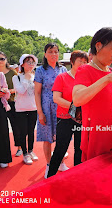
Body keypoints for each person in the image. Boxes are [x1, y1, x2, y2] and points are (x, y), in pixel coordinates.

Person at [72, 27, 112, 161]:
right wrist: (106, 79)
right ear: (98, 46)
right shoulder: (85, 70)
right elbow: (77, 99)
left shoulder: (110, 71)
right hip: (98, 134)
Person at [47, 50, 88, 178]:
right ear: (72, 62)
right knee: (60, 149)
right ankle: (50, 177)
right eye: (80, 61)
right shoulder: (62, 77)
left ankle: (77, 177)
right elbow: (56, 98)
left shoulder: (87, 79)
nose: (82, 63)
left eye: (85, 61)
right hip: (65, 119)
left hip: (82, 120)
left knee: (80, 149)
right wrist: (74, 108)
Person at [34, 43, 68, 178]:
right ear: (45, 54)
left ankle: (60, 161)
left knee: (62, 137)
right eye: (51, 51)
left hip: (61, 107)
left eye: (56, 51)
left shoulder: (63, 69)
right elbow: (37, 93)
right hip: (47, 107)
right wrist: (40, 112)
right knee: (47, 139)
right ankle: (49, 165)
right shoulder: (40, 70)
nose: (54, 54)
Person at [12, 54, 38, 164]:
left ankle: (31, 150)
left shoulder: (36, 75)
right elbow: (21, 91)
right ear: (22, 64)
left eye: (32, 62)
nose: (31, 64)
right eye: (28, 62)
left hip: (33, 107)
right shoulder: (16, 77)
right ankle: (25, 153)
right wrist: (27, 79)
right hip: (21, 109)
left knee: (31, 131)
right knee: (23, 132)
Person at [0, 51, 21, 157]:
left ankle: (20, 147)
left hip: (12, 102)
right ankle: (2, 149)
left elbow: (19, 87)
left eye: (2, 59)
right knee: (1, 128)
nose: (0, 61)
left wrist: (9, 91)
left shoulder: (12, 73)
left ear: (6, 60)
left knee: (16, 126)